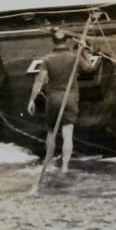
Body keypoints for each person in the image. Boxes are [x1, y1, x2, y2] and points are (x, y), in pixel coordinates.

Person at [26, 29, 94, 174]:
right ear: (66, 41)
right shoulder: (74, 57)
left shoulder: (48, 59)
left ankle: (49, 164)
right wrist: (84, 51)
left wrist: (31, 100)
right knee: (67, 133)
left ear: (53, 41)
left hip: (53, 99)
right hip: (69, 98)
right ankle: (65, 167)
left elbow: (39, 82)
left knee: (51, 132)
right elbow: (89, 68)